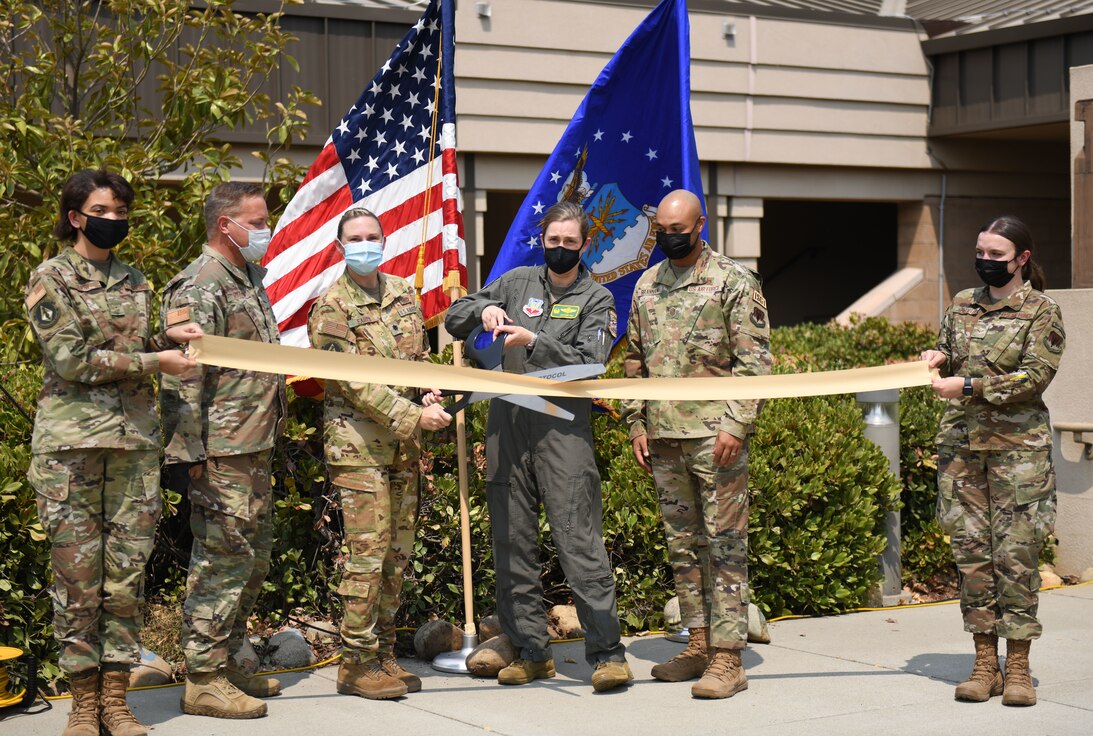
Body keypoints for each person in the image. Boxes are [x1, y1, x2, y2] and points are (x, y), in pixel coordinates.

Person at [25, 169, 202, 736]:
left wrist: (168, 343)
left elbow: (130, 349)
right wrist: (157, 364)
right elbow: (72, 361)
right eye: (104, 211)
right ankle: (80, 704)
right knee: (77, 581)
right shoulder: (49, 278)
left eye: (123, 213)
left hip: (132, 448)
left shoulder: (135, 280)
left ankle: (115, 701)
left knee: (125, 579)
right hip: (71, 450)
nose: (115, 221)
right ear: (76, 216)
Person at [443, 200, 633, 692]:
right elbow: (454, 317)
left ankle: (608, 653)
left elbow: (592, 360)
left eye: (571, 242)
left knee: (577, 540)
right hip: (508, 423)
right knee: (512, 543)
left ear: (585, 245)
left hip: (562, 429)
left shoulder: (598, 298)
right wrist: (482, 307)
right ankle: (531, 652)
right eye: (554, 241)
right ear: (542, 240)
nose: (562, 249)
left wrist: (533, 340)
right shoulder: (517, 281)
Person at [623, 189, 771, 700]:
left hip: (716, 438)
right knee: (683, 546)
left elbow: (754, 363)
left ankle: (729, 658)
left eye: (678, 230)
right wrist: (635, 424)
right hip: (664, 438)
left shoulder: (733, 281)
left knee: (725, 545)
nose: (669, 238)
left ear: (700, 225)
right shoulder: (647, 284)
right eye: (662, 230)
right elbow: (634, 361)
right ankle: (698, 642)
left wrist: (736, 425)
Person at [307, 208, 451, 699]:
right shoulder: (331, 306)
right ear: (341, 246)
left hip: (402, 449)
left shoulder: (403, 294)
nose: (365, 244)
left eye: (372, 236)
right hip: (359, 446)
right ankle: (354, 662)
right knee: (367, 554)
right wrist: (412, 415)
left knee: (397, 553)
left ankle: (383, 652)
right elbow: (351, 380)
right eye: (355, 238)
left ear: (384, 239)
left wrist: (429, 389)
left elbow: (418, 359)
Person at [921, 215, 1065, 707]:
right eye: (980, 252)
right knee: (973, 558)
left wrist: (969, 386)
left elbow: (1034, 377)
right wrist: (935, 357)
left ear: (1022, 259)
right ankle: (985, 663)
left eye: (996, 256)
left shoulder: (1042, 311)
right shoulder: (962, 304)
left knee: (1017, 557)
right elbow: (947, 350)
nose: (985, 262)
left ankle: (1019, 666)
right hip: (962, 451)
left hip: (1018, 455)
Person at [160, 182, 287, 719]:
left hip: (253, 444)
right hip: (219, 451)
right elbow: (182, 376)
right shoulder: (199, 285)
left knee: (251, 559)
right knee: (219, 560)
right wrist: (186, 454)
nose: (264, 230)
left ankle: (229, 659)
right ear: (225, 225)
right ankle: (203, 677)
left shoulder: (247, 278)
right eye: (256, 222)